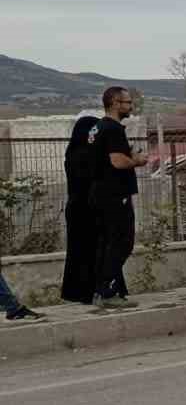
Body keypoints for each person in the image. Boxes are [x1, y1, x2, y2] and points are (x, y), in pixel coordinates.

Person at [89, 87, 146, 308]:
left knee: (106, 244)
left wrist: (129, 154)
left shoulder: (96, 127)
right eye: (127, 102)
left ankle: (102, 291)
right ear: (114, 102)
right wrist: (138, 161)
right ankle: (107, 292)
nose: (130, 107)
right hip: (114, 194)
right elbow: (117, 161)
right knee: (122, 243)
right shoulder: (112, 128)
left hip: (100, 193)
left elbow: (106, 157)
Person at [61, 111, 105, 304]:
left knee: (78, 252)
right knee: (96, 250)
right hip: (90, 208)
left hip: (76, 208)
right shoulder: (89, 155)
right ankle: (96, 290)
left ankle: (79, 292)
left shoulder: (71, 154)